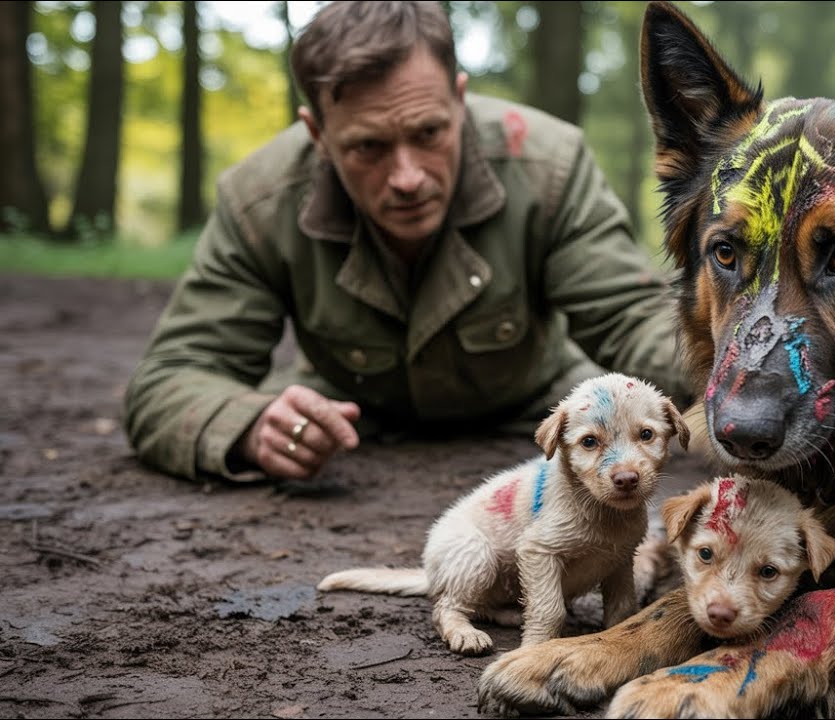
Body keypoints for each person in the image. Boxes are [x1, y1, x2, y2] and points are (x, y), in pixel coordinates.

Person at [123, 0, 691, 484]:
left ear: (459, 100)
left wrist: (742, 375)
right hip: (350, 419)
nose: (407, 177)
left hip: (530, 407)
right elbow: (170, 376)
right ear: (317, 134)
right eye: (368, 147)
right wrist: (246, 425)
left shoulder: (547, 167)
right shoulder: (261, 200)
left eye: (429, 133)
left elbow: (631, 320)